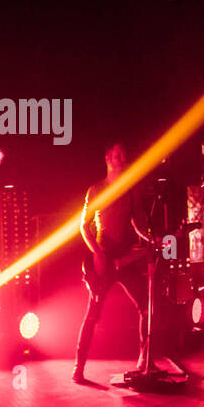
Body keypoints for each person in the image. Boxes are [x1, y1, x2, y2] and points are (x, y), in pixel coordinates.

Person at [74, 141, 151, 384]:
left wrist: (148, 239)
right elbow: (83, 226)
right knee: (92, 315)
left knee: (146, 305)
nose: (121, 159)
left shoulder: (131, 190)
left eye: (123, 155)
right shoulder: (96, 190)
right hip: (104, 258)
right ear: (108, 158)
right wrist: (96, 252)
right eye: (117, 155)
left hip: (124, 257)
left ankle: (145, 360)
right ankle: (78, 368)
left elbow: (137, 222)